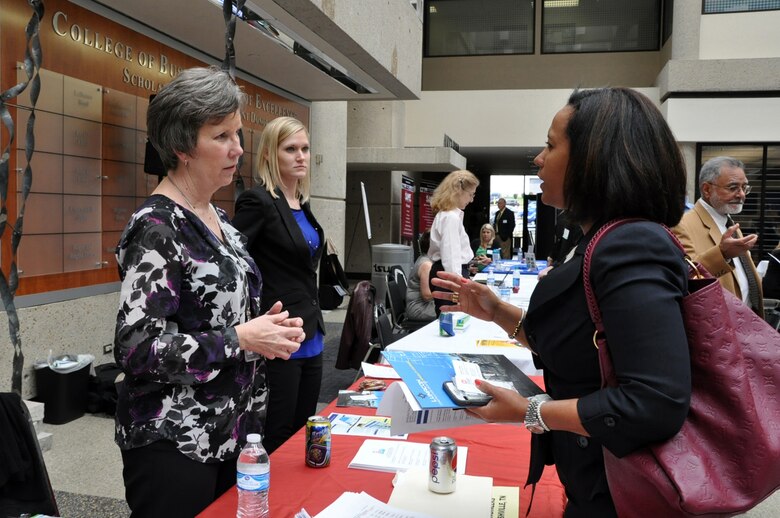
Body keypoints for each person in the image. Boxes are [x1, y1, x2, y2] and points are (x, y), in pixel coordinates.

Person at [432, 87, 691, 516]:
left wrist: (535, 411)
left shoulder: (631, 245)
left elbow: (654, 403)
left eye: (551, 146)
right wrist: (496, 311)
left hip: (622, 494)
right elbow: (582, 345)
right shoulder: (602, 239)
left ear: (594, 159)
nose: (538, 158)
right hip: (595, 480)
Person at [114, 67, 305, 517]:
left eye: (238, 133)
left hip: (230, 432)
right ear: (182, 147)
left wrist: (270, 329)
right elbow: (136, 347)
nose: (238, 148)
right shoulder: (157, 227)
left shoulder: (216, 217)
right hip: (175, 440)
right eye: (221, 136)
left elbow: (224, 314)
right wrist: (240, 338)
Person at [232, 116, 326, 455]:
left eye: (305, 148)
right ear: (271, 154)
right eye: (291, 149)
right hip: (280, 332)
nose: (301, 156)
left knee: (306, 427)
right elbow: (232, 261)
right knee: (278, 433)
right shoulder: (258, 202)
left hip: (311, 332)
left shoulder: (302, 203)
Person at [672, 156, 764, 316]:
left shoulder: (729, 223)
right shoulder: (682, 224)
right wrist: (722, 254)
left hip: (748, 326)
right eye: (733, 187)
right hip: (719, 328)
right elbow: (686, 278)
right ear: (707, 189)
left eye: (744, 187)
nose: (741, 194)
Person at [428, 169, 480, 315]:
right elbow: (451, 257)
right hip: (448, 276)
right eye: (471, 194)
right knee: (452, 321)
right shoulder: (450, 217)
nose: (471, 200)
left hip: (446, 274)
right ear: (458, 191)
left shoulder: (447, 215)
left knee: (450, 322)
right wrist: (458, 287)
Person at [405, 231, 437, 322]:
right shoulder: (426, 265)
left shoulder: (424, 259)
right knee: (452, 310)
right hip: (419, 309)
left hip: (423, 306)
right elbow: (427, 296)